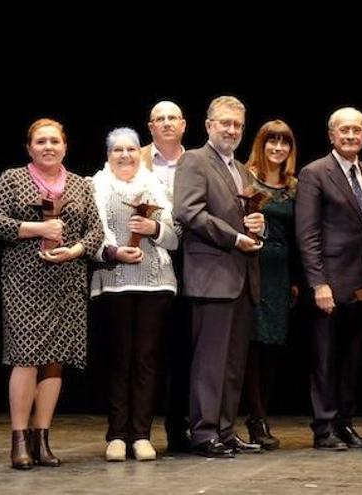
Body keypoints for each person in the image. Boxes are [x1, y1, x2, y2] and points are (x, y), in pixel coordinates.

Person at [0, 118, 103, 469]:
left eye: (54, 141)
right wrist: (37, 228)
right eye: (41, 141)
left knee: (55, 360)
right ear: (29, 147)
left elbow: (95, 230)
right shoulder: (13, 178)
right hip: (24, 280)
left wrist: (77, 249)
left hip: (66, 280)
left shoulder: (80, 185)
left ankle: (42, 439)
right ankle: (19, 439)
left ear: (65, 146)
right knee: (25, 357)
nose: (48, 146)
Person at [173, 95, 264, 458]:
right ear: (209, 125)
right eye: (224, 123)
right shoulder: (194, 160)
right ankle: (204, 431)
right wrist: (234, 237)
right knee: (210, 361)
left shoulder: (242, 170)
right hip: (212, 274)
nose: (231, 130)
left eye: (237, 125)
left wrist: (259, 226)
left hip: (242, 276)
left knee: (232, 363)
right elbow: (187, 210)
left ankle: (225, 430)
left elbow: (248, 218)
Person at [90, 127, 178, 462]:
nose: (125, 155)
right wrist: (112, 251)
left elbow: (175, 237)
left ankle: (141, 434)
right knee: (118, 358)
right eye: (117, 150)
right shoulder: (95, 186)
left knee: (146, 359)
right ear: (108, 155)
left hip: (155, 282)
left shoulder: (155, 187)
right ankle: (116, 435)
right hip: (114, 281)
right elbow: (91, 232)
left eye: (130, 149)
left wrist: (154, 229)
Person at [295, 106, 362, 450]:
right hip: (328, 283)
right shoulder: (315, 173)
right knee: (324, 359)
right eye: (344, 130)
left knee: (351, 360)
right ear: (331, 135)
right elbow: (307, 233)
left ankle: (345, 423)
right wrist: (318, 283)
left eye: (357, 130)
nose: (351, 136)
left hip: (359, 287)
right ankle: (324, 427)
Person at [241, 119, 299, 450]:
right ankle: (256, 417)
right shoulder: (247, 178)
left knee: (273, 345)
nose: (278, 148)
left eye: (284, 142)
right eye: (272, 141)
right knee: (253, 343)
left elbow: (298, 235)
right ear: (261, 145)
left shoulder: (294, 185)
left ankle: (261, 413)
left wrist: (296, 279)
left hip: (281, 272)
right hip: (253, 264)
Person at [141, 100, 191, 453]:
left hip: (195, 259)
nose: (167, 123)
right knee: (148, 349)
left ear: (184, 124)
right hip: (147, 260)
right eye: (160, 119)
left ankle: (179, 427)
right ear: (151, 126)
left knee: (186, 347)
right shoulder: (134, 157)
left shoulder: (199, 160)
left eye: (173, 118)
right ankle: (138, 430)